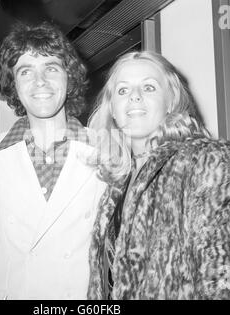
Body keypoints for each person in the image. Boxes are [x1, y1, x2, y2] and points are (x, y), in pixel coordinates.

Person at [0, 21, 107, 300]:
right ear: (14, 86)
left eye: (51, 68)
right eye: (25, 71)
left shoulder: (106, 148)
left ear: (69, 77)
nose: (40, 81)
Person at [87, 51, 230, 300]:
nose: (134, 96)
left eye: (149, 87)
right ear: (112, 109)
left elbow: (220, 279)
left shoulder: (206, 161)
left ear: (172, 101)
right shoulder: (115, 184)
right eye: (122, 90)